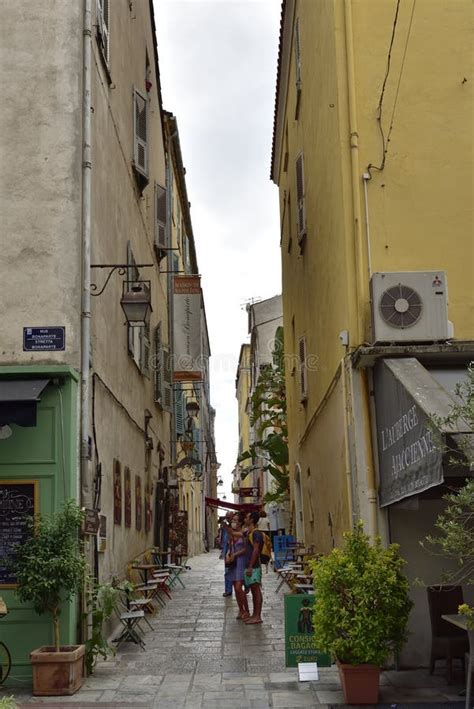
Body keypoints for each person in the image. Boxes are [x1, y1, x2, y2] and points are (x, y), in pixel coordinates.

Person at [225, 512, 250, 620]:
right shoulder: (232, 534)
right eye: (232, 520)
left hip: (241, 561)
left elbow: (245, 549)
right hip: (233, 562)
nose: (233, 522)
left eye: (235, 520)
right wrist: (228, 555)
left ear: (240, 522)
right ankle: (241, 610)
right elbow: (230, 546)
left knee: (239, 587)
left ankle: (247, 611)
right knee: (236, 588)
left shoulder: (244, 532)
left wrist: (234, 554)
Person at [243, 511, 264, 624]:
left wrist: (251, 566)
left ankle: (257, 616)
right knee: (253, 590)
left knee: (256, 591)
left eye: (247, 516)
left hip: (254, 566)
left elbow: (256, 550)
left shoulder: (256, 534)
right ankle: (254, 615)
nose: (245, 519)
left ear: (251, 520)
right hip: (250, 566)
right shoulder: (249, 533)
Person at [220, 511, 234, 597]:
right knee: (227, 571)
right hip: (227, 553)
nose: (228, 519)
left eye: (229, 517)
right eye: (227, 517)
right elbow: (224, 539)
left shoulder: (235, 527)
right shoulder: (224, 528)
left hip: (235, 552)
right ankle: (228, 590)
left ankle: (246, 586)